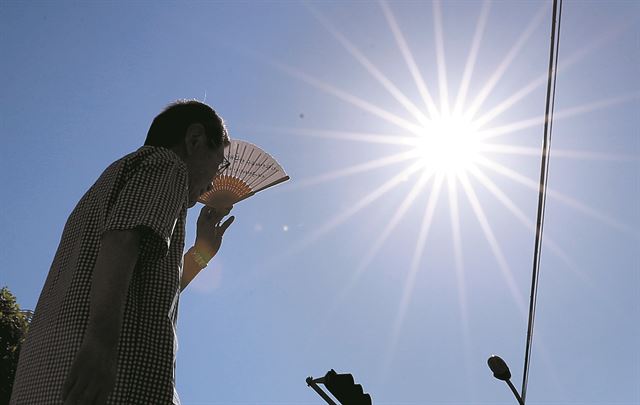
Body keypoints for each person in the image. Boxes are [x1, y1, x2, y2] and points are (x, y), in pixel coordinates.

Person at [10, 100, 234, 404]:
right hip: (110, 380)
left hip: (46, 375)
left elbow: (147, 282)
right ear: (194, 140)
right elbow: (121, 244)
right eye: (220, 163)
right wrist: (101, 344)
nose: (215, 180)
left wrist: (202, 252)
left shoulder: (109, 181)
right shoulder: (168, 165)